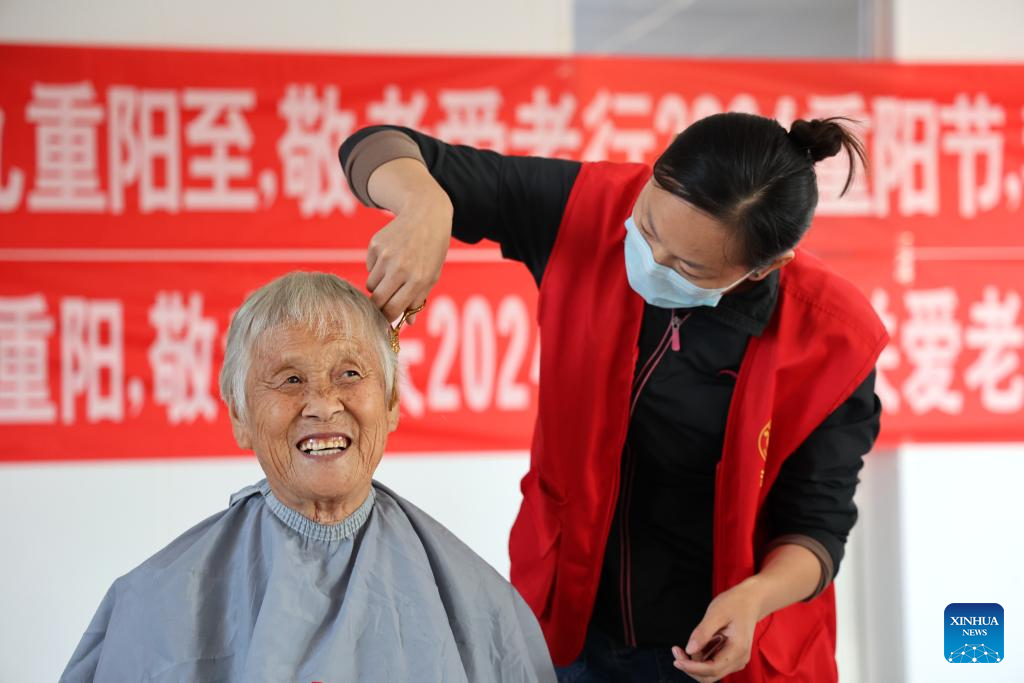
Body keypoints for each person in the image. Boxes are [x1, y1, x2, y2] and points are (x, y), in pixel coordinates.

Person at [338, 112, 887, 683]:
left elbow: (816, 525)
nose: (650, 260)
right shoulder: (588, 208)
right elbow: (373, 146)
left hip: (723, 646)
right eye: (647, 224)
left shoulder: (832, 336)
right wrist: (428, 204)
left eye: (687, 266)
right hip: (569, 625)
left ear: (763, 269)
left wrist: (756, 597)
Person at [60, 272, 557, 683]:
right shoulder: (151, 607)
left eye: (350, 375)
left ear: (390, 405)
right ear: (239, 416)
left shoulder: (482, 606)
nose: (322, 404)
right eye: (291, 379)